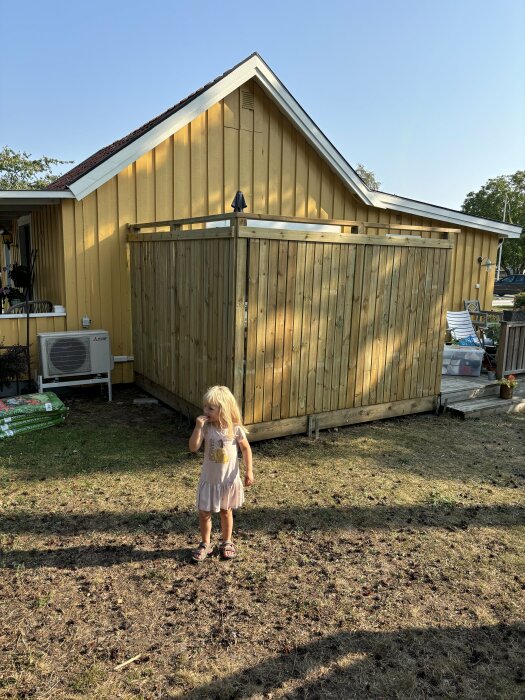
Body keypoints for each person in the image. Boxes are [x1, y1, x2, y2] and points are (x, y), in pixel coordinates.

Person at [189, 385, 254, 561]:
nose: (206, 411)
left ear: (223, 409)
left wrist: (249, 471)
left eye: (211, 408)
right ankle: (205, 543)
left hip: (227, 480)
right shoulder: (206, 428)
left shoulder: (235, 429)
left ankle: (227, 542)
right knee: (204, 513)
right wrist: (197, 428)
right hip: (209, 480)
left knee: (226, 511)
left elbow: (246, 449)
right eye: (205, 407)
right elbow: (193, 448)